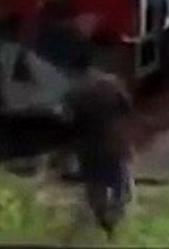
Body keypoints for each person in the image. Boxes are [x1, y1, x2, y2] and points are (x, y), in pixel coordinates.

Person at [63, 67, 135, 238]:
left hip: (88, 148)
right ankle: (114, 223)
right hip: (113, 144)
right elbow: (127, 108)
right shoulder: (114, 85)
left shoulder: (75, 92)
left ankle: (103, 221)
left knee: (95, 186)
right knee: (122, 187)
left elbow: (69, 120)